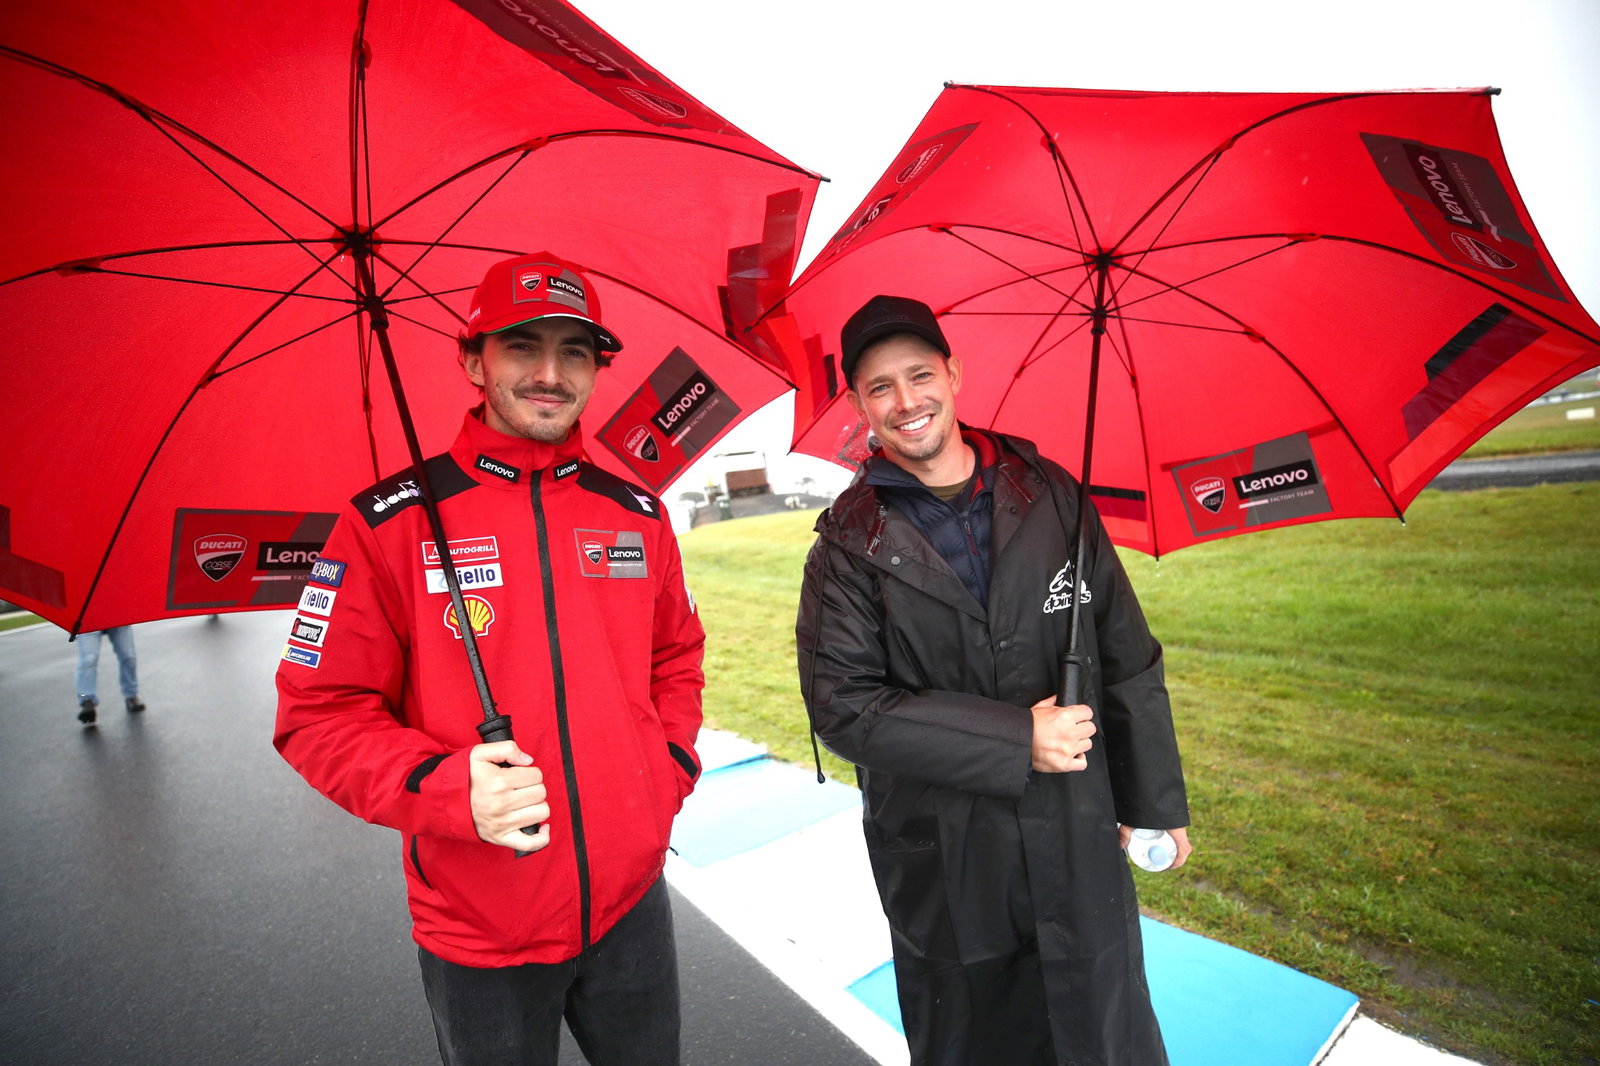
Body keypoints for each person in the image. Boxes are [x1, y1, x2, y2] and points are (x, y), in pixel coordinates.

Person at [275, 253, 706, 1066]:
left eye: (574, 350)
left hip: (632, 901)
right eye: (521, 345)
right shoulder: (386, 523)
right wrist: (445, 786)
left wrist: (668, 765)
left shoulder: (637, 514)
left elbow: (677, 657)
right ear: (474, 362)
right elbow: (315, 716)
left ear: (596, 368)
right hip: (479, 927)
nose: (550, 372)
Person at [795, 295, 1192, 1066]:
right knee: (976, 1043)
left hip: (1074, 828)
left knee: (1103, 1036)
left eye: (919, 375)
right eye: (881, 387)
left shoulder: (1050, 495)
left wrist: (1153, 802)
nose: (907, 401)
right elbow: (843, 707)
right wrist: (1017, 738)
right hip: (946, 857)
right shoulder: (847, 544)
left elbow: (1126, 656)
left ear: (954, 374)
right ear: (859, 405)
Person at [75, 625, 145, 725]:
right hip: (87, 617)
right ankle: (86, 700)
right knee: (88, 659)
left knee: (128, 656)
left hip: (118, 615)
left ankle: (131, 695)